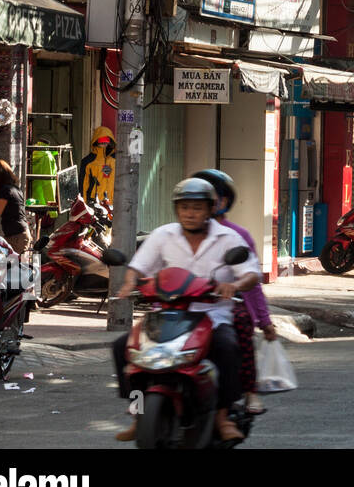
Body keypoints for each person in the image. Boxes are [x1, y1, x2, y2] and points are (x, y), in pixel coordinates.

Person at [111, 177, 260, 443]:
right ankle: (138, 415)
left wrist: (234, 285)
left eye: (197, 208)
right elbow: (139, 266)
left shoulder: (229, 237)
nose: (190, 213)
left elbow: (251, 273)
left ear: (210, 209)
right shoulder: (163, 235)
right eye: (185, 207)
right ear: (176, 209)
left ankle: (222, 417)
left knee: (227, 348)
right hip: (165, 314)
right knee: (123, 347)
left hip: (212, 315)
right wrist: (129, 283)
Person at [193, 170, 278, 416]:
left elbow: (251, 281)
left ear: (224, 201)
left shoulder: (237, 235)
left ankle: (248, 392)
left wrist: (264, 321)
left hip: (226, 304)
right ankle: (142, 410)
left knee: (239, 330)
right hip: (184, 306)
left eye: (215, 197)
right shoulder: (172, 232)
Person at [0, 160, 28, 255]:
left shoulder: (5, 191)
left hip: (16, 236)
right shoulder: (16, 189)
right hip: (21, 233)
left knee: (12, 268)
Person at [79, 126, 117, 204]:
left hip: (113, 203)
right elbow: (83, 185)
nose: (104, 143)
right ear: (96, 141)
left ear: (110, 141)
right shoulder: (88, 161)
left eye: (106, 141)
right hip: (94, 203)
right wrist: (84, 204)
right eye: (101, 141)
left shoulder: (116, 160)